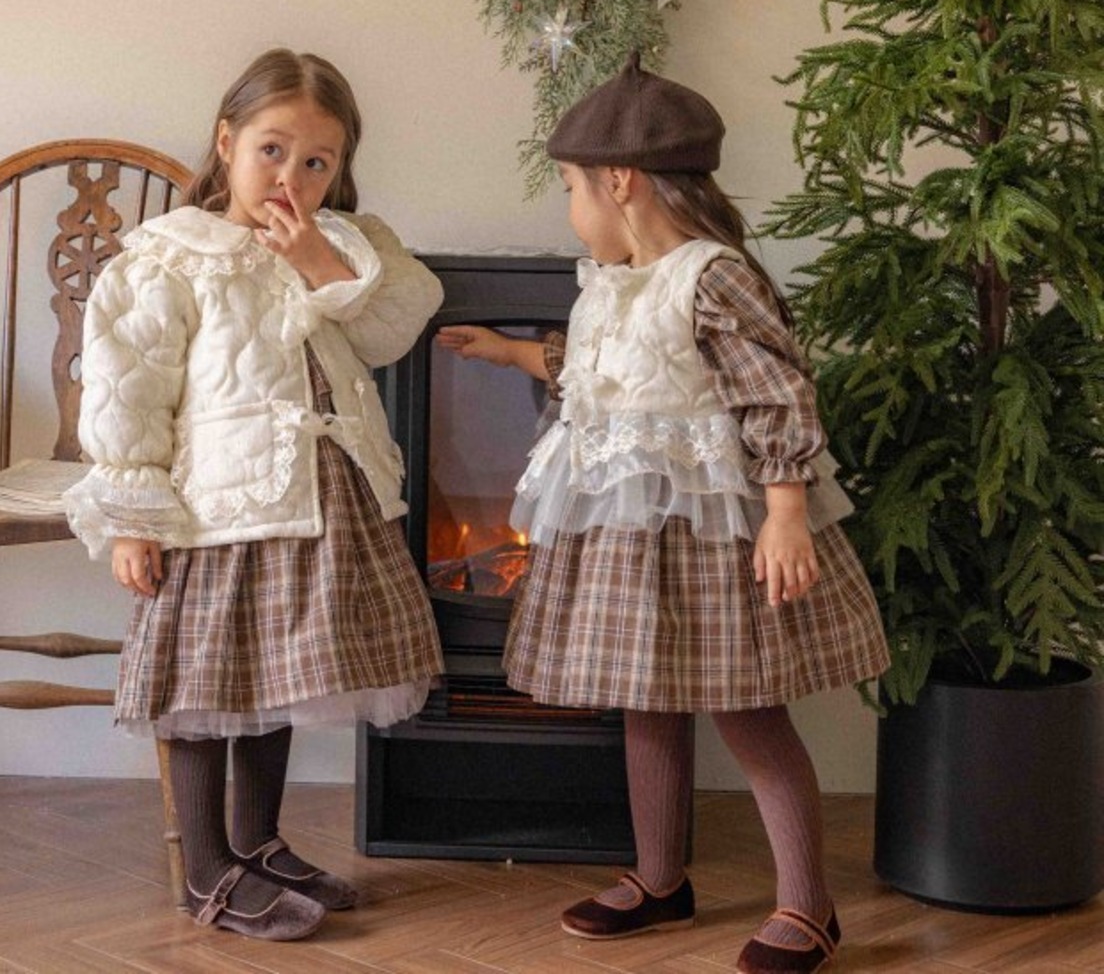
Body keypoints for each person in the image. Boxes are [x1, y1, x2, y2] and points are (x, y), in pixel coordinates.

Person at [437, 53, 888, 974]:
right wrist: (510, 354)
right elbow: (602, 376)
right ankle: (659, 879)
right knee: (645, 698)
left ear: (620, 180)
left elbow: (778, 395)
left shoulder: (711, 277)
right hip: (627, 532)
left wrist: (786, 511)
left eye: (571, 188)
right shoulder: (613, 280)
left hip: (713, 535)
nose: (571, 208)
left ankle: (809, 906)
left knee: (748, 710)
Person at [65, 49, 444, 942]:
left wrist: (319, 259)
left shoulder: (348, 245)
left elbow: (397, 324)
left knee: (276, 673)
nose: (290, 177)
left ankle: (258, 841)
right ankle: (205, 867)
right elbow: (127, 390)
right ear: (227, 141)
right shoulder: (170, 256)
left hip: (321, 494)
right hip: (216, 507)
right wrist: (133, 518)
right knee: (208, 681)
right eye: (272, 150)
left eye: (316, 162)